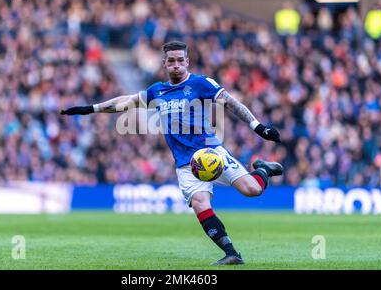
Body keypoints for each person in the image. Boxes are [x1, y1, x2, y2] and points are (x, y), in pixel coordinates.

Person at [60, 41, 284, 265]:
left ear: (187, 62)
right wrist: (91, 108)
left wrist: (257, 126)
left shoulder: (201, 83)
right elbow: (125, 102)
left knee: (252, 190)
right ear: (164, 63)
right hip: (187, 164)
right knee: (200, 203)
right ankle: (232, 253)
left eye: (180, 60)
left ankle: (263, 170)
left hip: (211, 151)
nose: (176, 65)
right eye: (171, 61)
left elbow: (231, 103)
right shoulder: (157, 90)